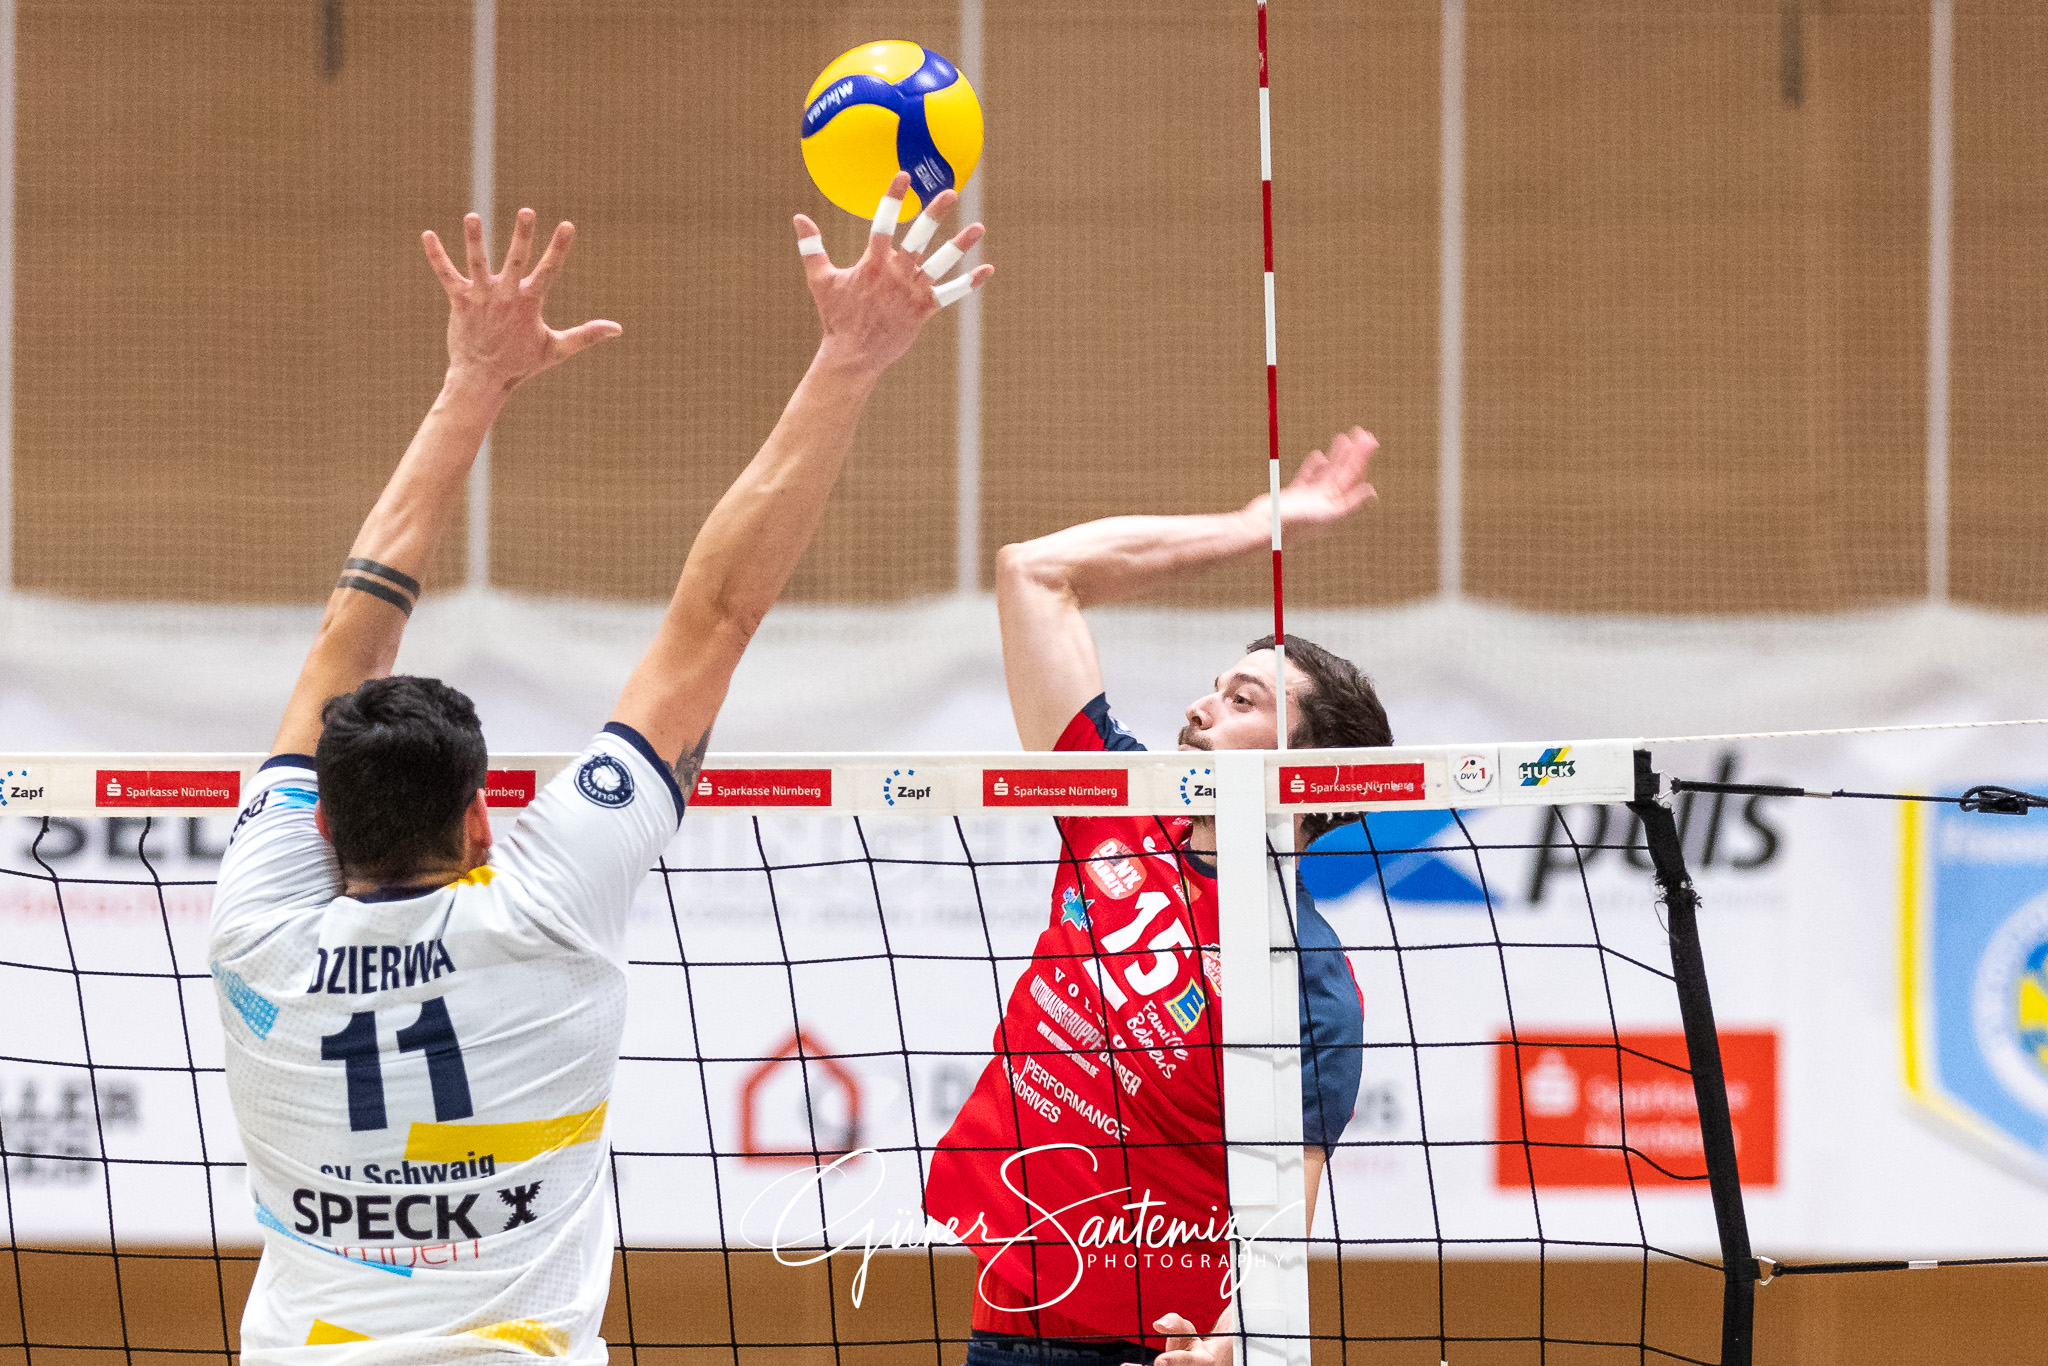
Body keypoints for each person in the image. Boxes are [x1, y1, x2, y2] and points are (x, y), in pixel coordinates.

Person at [208, 174, 990, 1363]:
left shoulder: (255, 931)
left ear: (321, 825)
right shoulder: (542, 910)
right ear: (481, 822)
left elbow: (340, 647)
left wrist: (469, 383)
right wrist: (849, 360)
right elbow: (715, 616)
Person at [920, 428, 1387, 1366]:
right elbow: (1033, 573)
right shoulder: (1114, 805)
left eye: (1244, 701)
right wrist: (1260, 524)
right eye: (1215, 688)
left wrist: (1237, 1337)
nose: (1201, 708)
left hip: (1151, 1345)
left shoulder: (1314, 978)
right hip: (1007, 1324)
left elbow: (1288, 1194)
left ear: (1310, 779)